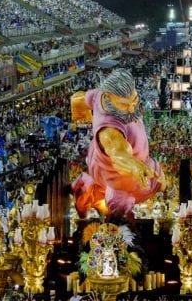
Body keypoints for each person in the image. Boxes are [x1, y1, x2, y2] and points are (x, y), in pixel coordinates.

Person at [70, 69, 165, 217]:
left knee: (160, 180)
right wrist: (134, 166)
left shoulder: (99, 96)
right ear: (109, 97)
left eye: (134, 100)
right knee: (120, 205)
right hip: (117, 177)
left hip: (114, 162)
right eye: (124, 105)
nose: (132, 108)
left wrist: (79, 115)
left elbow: (77, 99)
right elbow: (118, 153)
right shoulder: (109, 129)